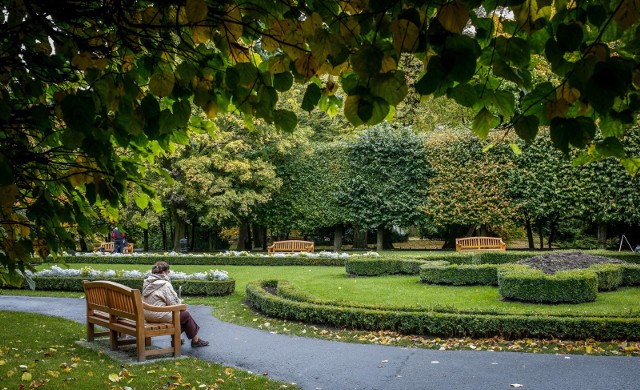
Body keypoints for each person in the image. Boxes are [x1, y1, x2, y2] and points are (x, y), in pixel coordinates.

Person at [142, 261, 209, 348]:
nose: (168, 273)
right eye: (168, 271)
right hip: (157, 315)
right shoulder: (165, 284)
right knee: (185, 315)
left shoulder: (147, 283)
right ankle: (195, 340)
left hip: (147, 315)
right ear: (163, 272)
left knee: (179, 315)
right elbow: (175, 304)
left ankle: (178, 339)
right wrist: (181, 304)